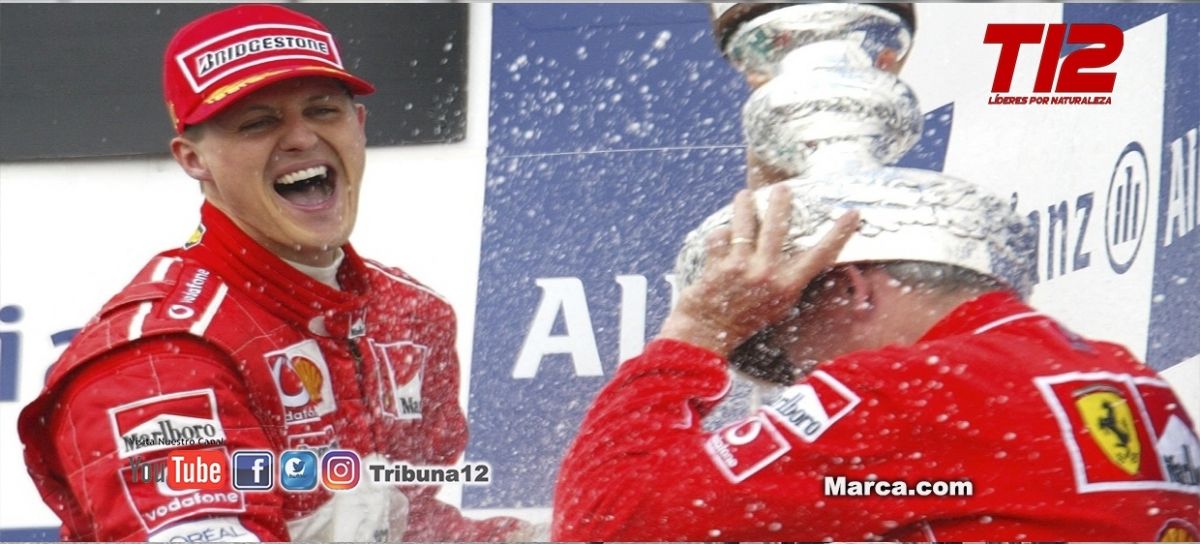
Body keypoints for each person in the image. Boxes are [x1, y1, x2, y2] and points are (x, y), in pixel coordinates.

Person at [18, 5, 529, 541]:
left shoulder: (411, 313)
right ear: (193, 160)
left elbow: (410, 523)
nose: (301, 139)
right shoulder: (156, 361)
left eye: (323, 110)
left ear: (358, 126)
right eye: (258, 123)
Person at [552, 183, 1200, 539]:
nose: (804, 378)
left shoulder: (907, 387)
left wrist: (701, 329)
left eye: (794, 349)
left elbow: (609, 520)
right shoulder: (1132, 378)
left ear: (851, 289)